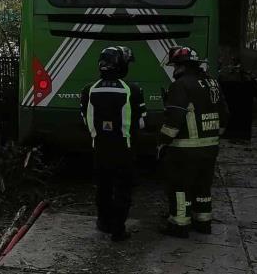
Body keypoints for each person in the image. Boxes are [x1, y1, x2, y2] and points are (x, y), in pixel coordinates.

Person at [159, 46, 229, 238]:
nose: (174, 70)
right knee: (203, 186)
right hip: (210, 147)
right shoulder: (212, 83)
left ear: (181, 66)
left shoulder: (180, 85)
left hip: (184, 149)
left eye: (175, 66)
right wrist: (214, 136)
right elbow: (224, 113)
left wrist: (163, 141)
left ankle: (179, 225)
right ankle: (203, 222)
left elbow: (174, 119)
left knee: (179, 187)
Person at [81, 46, 145, 242]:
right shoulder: (132, 90)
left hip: (99, 149)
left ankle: (103, 223)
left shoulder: (88, 90)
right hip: (124, 151)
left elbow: (85, 120)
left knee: (103, 188)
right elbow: (141, 123)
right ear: (120, 65)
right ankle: (118, 230)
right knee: (123, 190)